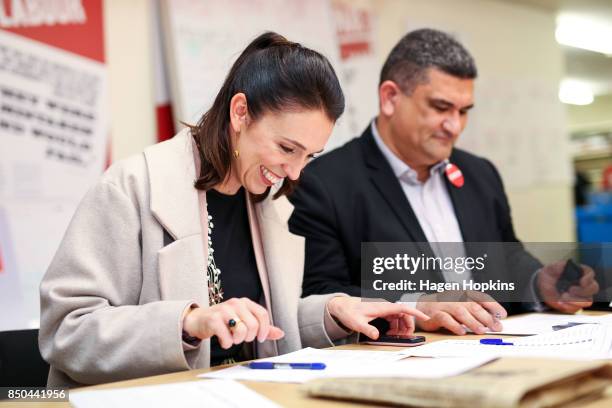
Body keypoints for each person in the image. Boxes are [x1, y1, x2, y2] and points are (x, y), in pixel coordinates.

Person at [39, 32, 428, 387]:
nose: (294, 171)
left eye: (310, 156)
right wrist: (188, 323)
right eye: (286, 148)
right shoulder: (131, 187)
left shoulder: (269, 203)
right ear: (240, 112)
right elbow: (66, 331)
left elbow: (265, 329)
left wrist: (333, 310)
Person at [288, 28, 599, 336]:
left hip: (495, 349)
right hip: (403, 364)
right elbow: (322, 294)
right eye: (440, 107)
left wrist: (538, 282)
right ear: (390, 98)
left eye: (463, 111)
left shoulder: (480, 174)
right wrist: (417, 305)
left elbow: (506, 257)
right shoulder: (322, 183)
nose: (454, 126)